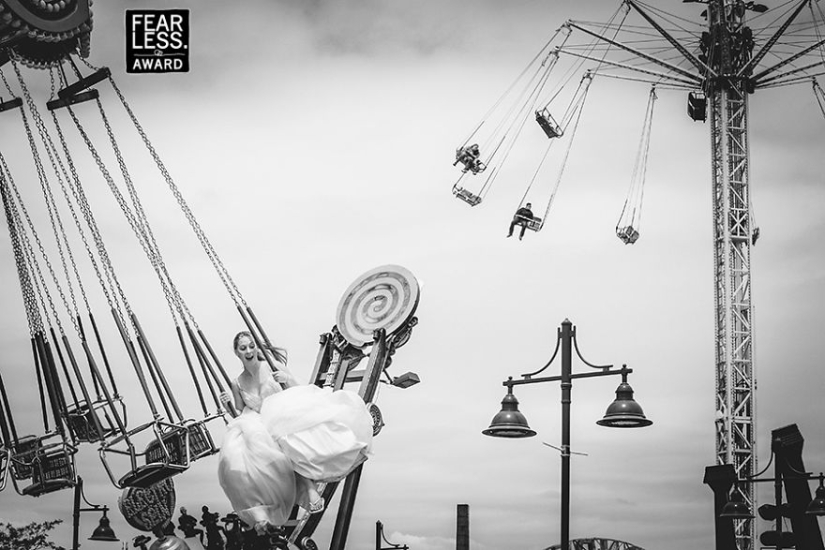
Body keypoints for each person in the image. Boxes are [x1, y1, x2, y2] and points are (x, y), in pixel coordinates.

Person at [217, 331, 373, 534]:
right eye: (243, 348)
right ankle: (261, 507)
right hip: (257, 420)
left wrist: (286, 378)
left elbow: (298, 389)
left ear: (256, 347)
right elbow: (238, 412)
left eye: (251, 345)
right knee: (238, 451)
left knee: (279, 435)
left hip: (282, 412)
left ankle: (307, 487)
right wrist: (226, 403)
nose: (248, 350)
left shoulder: (272, 365)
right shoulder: (237, 382)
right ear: (237, 353)